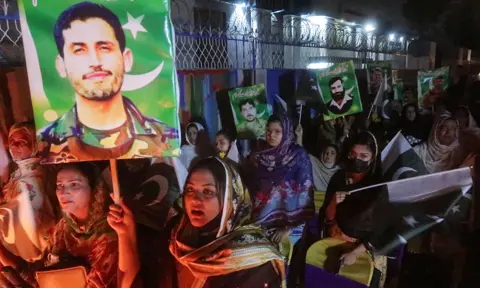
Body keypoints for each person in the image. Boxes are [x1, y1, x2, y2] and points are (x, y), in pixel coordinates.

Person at [109, 157, 286, 288]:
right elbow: (143, 281)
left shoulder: (254, 262)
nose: (195, 199)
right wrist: (125, 234)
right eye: (190, 190)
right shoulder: (176, 236)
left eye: (208, 192)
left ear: (230, 199)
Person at [38, 2, 178, 163]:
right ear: (61, 66)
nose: (95, 61)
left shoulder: (167, 138)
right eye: (79, 50)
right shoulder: (46, 144)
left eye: (104, 47)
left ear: (126, 59)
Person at [1, 162, 118, 287]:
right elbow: (40, 274)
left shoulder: (108, 234)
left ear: (94, 189)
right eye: (59, 185)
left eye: (74, 184)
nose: (63, 193)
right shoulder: (64, 226)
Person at [320, 131, 391, 287]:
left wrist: (355, 253)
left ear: (373, 159)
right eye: (353, 155)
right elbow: (328, 218)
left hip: (365, 252)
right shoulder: (339, 178)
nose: (357, 160)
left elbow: (383, 229)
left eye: (364, 156)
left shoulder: (378, 187)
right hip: (334, 244)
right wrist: (333, 202)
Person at [251, 115, 314, 243]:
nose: (271, 135)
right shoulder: (260, 156)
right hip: (261, 221)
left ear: (286, 132)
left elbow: (305, 194)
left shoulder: (298, 156)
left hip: (292, 223)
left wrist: (289, 228)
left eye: (277, 131)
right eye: (268, 131)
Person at [0, 122, 56, 264]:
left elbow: (30, 222)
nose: (14, 146)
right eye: (12, 141)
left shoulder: (33, 177)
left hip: (34, 253)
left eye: (22, 142)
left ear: (35, 144)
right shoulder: (19, 172)